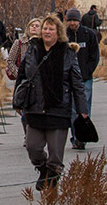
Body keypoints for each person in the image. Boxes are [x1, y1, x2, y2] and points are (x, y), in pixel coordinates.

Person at [19, 16, 86, 189]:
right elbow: (22, 76)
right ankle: (43, 169)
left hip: (59, 108)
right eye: (45, 28)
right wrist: (18, 101)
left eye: (51, 29)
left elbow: (77, 84)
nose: (47, 32)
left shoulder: (68, 53)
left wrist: (82, 110)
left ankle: (52, 183)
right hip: (35, 107)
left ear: (58, 32)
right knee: (33, 148)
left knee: (55, 155)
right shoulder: (33, 51)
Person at [64, 7, 100, 150]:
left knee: (84, 108)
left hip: (85, 77)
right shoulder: (64, 35)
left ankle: (83, 136)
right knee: (72, 109)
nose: (72, 23)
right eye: (70, 20)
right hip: (68, 79)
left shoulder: (88, 34)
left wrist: (88, 70)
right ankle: (76, 137)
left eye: (75, 20)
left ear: (79, 21)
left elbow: (94, 55)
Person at [6, 17, 43, 81]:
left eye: (37, 26)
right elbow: (10, 61)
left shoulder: (45, 44)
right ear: (28, 28)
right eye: (32, 25)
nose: (34, 27)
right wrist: (19, 74)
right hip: (23, 81)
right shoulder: (19, 42)